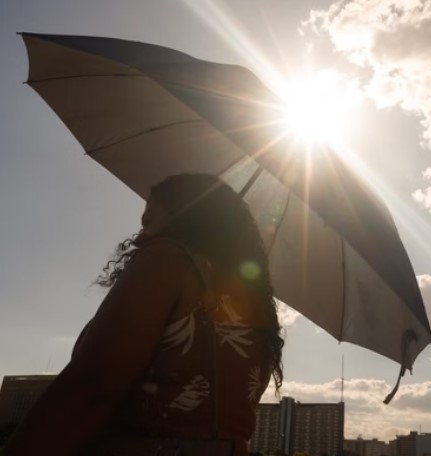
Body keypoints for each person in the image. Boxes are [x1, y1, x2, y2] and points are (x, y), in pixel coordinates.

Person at [4, 174, 284, 456]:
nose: (140, 236)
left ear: (185, 216)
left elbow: (91, 388)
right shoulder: (258, 308)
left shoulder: (167, 259)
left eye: (148, 222)